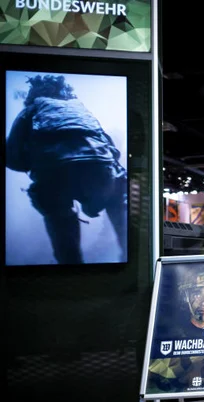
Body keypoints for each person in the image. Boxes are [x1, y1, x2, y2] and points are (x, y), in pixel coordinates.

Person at [6, 74, 127, 264]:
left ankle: (73, 278)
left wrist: (35, 163)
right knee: (119, 189)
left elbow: (11, 157)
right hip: (102, 175)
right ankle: (133, 264)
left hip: (53, 177)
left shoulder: (31, 109)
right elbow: (113, 151)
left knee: (66, 243)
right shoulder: (82, 110)